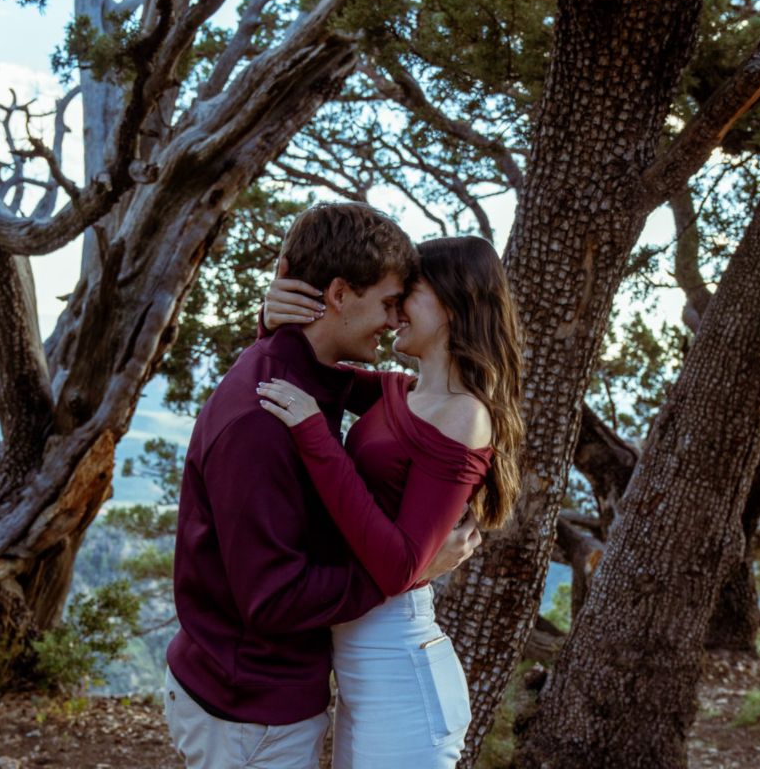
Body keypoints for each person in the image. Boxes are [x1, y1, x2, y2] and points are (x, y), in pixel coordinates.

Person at [164, 203, 482, 769]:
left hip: (307, 691)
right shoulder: (266, 418)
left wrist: (275, 328)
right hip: (249, 708)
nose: (394, 319)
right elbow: (274, 599)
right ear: (339, 294)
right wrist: (412, 572)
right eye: (389, 301)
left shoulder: (296, 387)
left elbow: (328, 379)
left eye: (406, 301)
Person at [257, 235, 525, 768]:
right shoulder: (399, 392)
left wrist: (316, 437)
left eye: (408, 295)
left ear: (454, 302)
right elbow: (306, 372)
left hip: (401, 676)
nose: (394, 312)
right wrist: (271, 322)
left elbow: (398, 565)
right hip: (365, 667)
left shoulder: (465, 415)